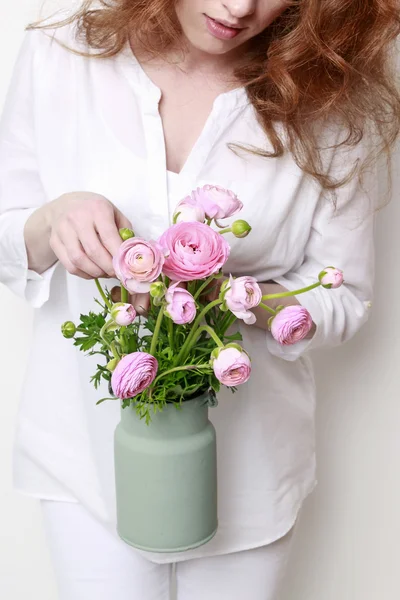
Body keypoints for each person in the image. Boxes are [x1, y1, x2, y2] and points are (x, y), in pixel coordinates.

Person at [0, 1, 399, 599]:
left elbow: (346, 298)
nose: (240, 8)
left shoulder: (334, 97)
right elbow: (9, 236)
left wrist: (235, 297)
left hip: (251, 477)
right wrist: (53, 219)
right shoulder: (64, 54)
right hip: (84, 461)